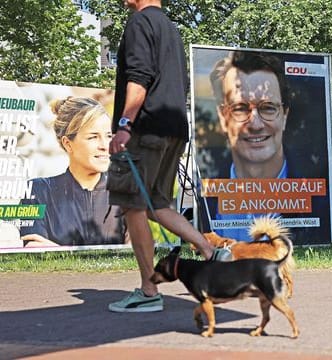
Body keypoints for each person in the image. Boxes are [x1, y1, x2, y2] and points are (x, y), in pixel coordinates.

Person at [107, 0, 230, 313]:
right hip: (174, 129)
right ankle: (210, 251)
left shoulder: (139, 23)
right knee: (156, 204)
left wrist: (124, 124)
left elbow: (139, 78)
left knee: (133, 206)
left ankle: (149, 290)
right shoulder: (171, 28)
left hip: (145, 130)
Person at [200, 50, 330, 243]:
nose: (256, 124)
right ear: (222, 117)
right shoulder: (203, 200)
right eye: (240, 108)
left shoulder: (321, 202)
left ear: (284, 116)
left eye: (268, 107)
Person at [20, 97, 127, 247]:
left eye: (108, 136)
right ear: (68, 144)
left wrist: (57, 251)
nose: (105, 146)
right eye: (93, 137)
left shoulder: (124, 192)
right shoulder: (37, 192)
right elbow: (34, 250)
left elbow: (136, 253)